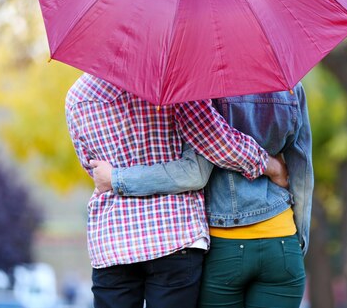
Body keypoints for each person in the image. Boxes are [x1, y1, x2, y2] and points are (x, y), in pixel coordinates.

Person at [65, 73, 287, 308]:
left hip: (113, 239)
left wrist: (117, 178)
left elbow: (95, 172)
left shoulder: (77, 97)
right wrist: (269, 165)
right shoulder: (177, 83)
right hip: (172, 234)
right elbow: (216, 141)